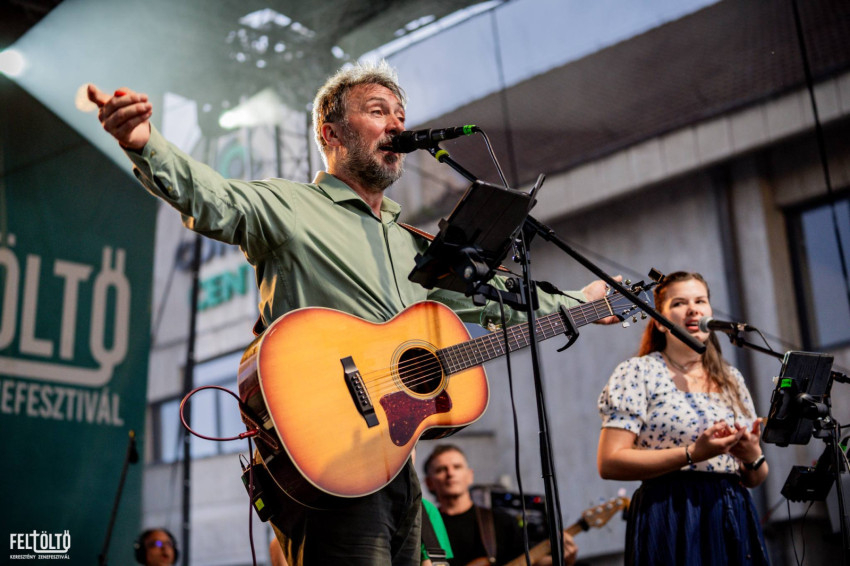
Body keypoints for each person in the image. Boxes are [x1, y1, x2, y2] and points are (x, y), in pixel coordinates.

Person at [88, 60, 610, 566]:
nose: (397, 125)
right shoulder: (291, 207)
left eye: (401, 115)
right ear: (331, 134)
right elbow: (214, 198)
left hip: (396, 462)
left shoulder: (411, 243)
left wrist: (581, 305)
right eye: (378, 111)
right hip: (326, 452)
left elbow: (496, 296)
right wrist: (144, 143)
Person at [596, 271, 770, 565]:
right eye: (679, 303)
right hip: (671, 512)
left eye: (700, 301)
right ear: (659, 321)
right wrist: (692, 453)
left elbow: (755, 477)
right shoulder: (638, 372)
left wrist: (752, 455)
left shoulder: (731, 378)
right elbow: (609, 462)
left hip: (732, 510)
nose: (693, 309)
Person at [423, 444, 578, 566]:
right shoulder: (425, 527)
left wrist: (563, 560)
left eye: (457, 467)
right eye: (441, 470)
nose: (450, 474)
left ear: (470, 476)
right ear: (429, 482)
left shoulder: (500, 521)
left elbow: (529, 560)